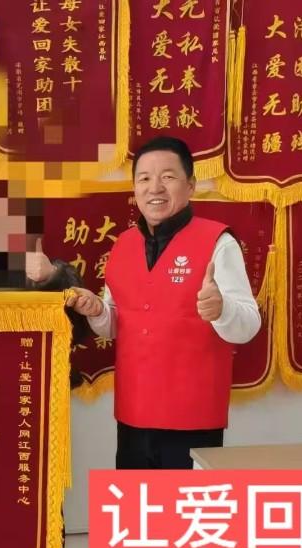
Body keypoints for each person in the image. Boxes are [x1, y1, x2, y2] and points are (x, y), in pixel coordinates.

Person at [67, 135, 261, 469]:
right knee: (135, 502)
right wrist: (98, 311)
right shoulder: (123, 244)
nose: (154, 188)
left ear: (191, 186)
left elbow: (249, 324)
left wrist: (222, 310)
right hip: (133, 413)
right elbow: (116, 324)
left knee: (185, 504)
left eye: (168, 177)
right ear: (135, 188)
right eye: (144, 178)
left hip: (193, 416)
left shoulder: (218, 242)